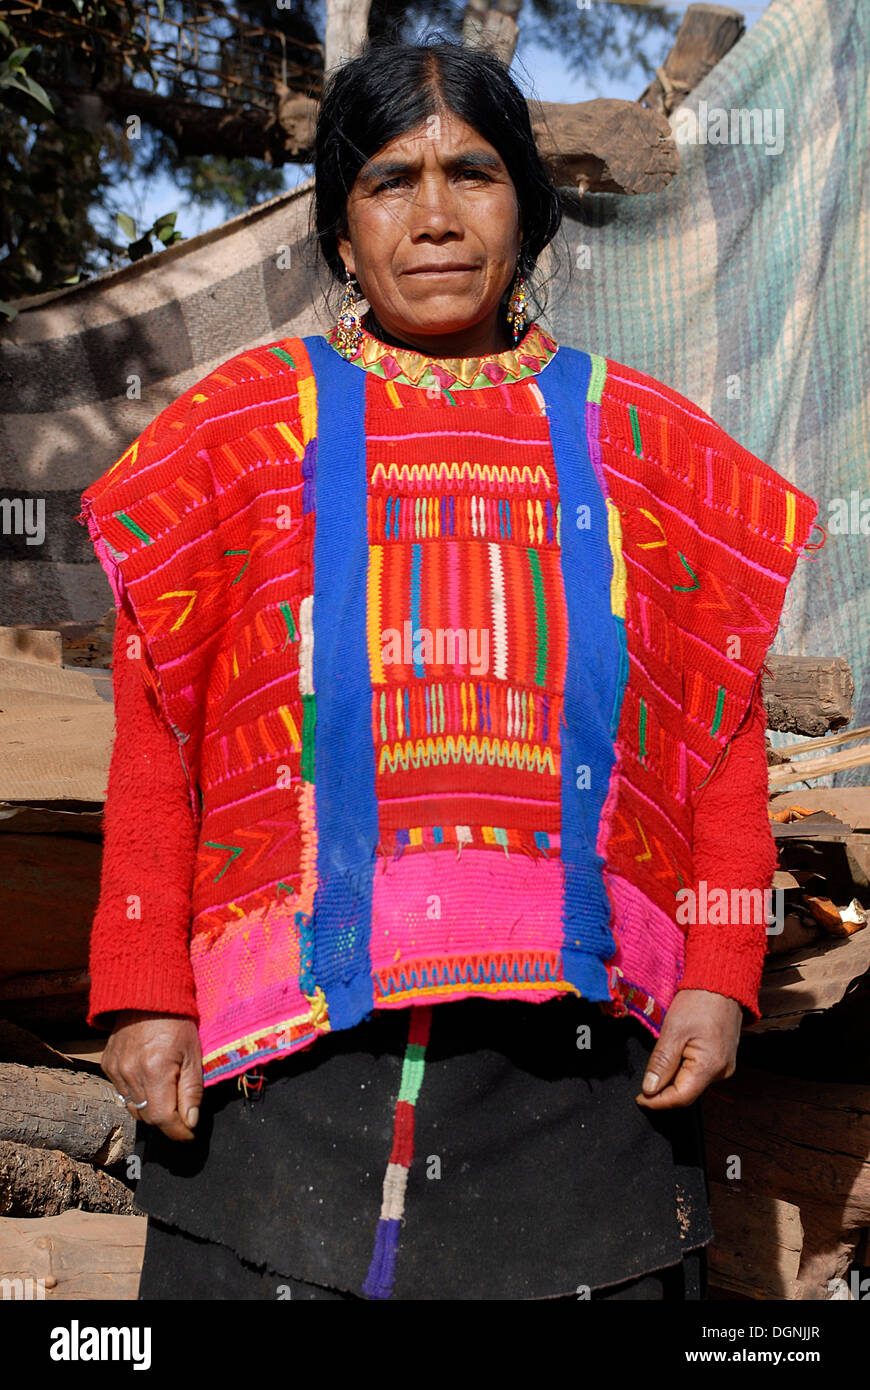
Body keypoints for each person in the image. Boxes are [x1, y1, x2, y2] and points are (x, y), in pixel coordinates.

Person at [77, 38, 818, 1302]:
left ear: (528, 207)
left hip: (578, 1083)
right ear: (339, 225)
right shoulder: (242, 433)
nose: (433, 216)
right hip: (288, 1077)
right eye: (388, 181)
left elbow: (723, 725)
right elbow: (160, 729)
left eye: (473, 174)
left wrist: (721, 969)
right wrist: (145, 989)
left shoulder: (643, 446)